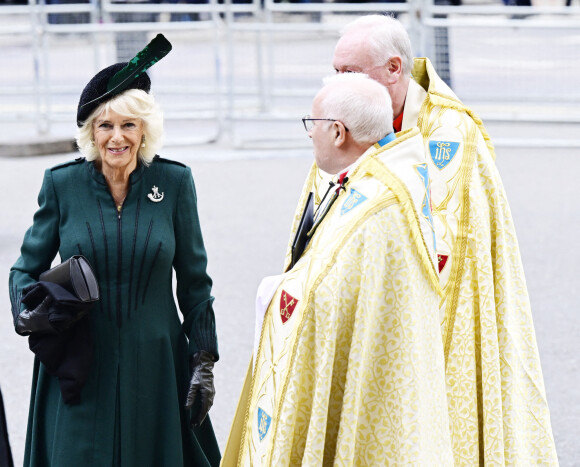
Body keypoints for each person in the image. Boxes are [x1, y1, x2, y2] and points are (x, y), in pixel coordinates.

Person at [286, 14, 557, 465]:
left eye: (349, 73)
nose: (338, 83)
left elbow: (461, 244)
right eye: (334, 72)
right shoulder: (342, 114)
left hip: (436, 315)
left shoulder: (454, 136)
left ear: (395, 69)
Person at [8, 34, 220, 467]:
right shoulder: (61, 185)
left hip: (157, 364)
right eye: (105, 125)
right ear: (91, 133)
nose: (117, 137)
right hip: (79, 364)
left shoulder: (175, 183)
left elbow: (196, 285)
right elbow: (23, 270)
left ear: (144, 130)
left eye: (128, 125)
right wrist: (29, 312)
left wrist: (203, 359)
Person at [222, 73, 454, 465]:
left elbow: (326, 293)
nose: (309, 135)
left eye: (312, 125)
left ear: (337, 132)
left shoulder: (376, 204)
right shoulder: (386, 170)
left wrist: (275, 293)